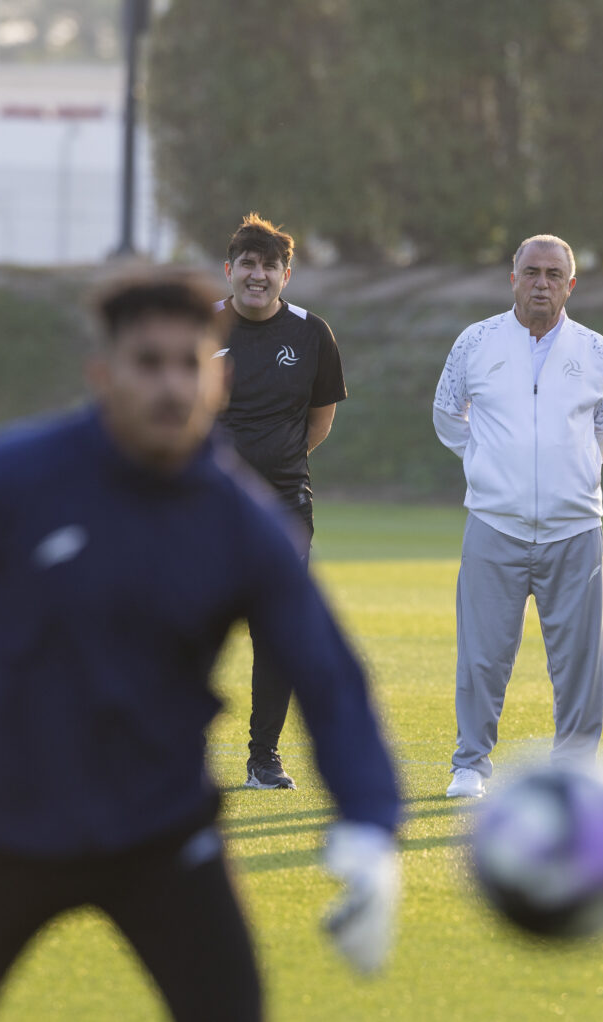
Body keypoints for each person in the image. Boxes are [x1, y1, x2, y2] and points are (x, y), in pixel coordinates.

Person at [0, 270, 402, 1022]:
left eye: (189, 364)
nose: (170, 385)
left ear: (215, 383)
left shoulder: (239, 525)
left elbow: (326, 673)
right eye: (146, 363)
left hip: (161, 833)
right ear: (102, 376)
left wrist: (370, 826)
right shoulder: (13, 477)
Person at [432, 234, 603, 799]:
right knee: (483, 655)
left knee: (578, 663)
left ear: (571, 283)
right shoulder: (476, 341)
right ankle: (470, 763)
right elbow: (448, 415)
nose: (543, 282)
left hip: (575, 528)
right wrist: (491, 464)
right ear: (512, 278)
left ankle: (577, 770)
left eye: (554, 273)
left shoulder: (594, 349)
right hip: (494, 524)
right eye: (532, 272)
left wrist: (571, 475)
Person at [215, 213, 348, 791]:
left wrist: (278, 461)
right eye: (248, 263)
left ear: (285, 274)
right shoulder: (199, 327)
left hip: (285, 507)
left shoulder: (311, 333)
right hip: (204, 507)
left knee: (276, 634)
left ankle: (262, 759)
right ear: (230, 270)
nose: (258, 275)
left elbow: (320, 419)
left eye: (269, 265)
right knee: (180, 621)